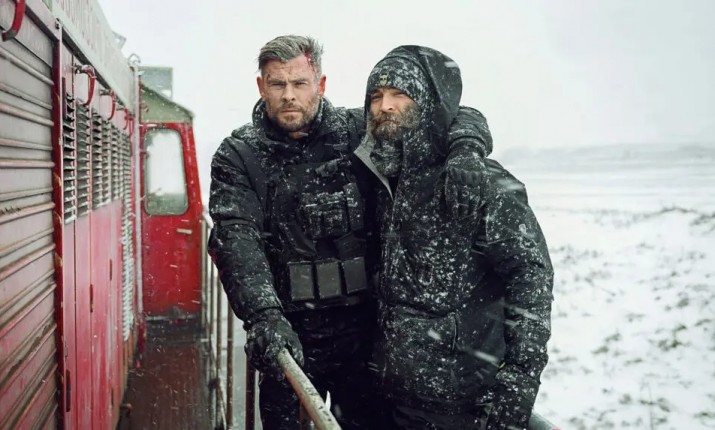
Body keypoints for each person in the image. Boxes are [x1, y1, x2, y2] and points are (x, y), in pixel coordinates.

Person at [207, 35, 493, 429]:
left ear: (321, 84)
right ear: (261, 86)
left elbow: (450, 115)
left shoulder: (359, 132)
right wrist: (264, 316)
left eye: (300, 83)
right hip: (289, 335)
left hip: (364, 337)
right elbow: (236, 238)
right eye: (277, 84)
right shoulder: (239, 155)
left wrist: (466, 149)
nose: (289, 95)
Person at [359, 45, 554, 430]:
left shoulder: (482, 183)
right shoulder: (386, 176)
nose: (385, 106)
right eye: (376, 96)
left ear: (428, 103)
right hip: (392, 395)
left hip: (459, 403)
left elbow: (531, 276)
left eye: (400, 94)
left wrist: (520, 377)